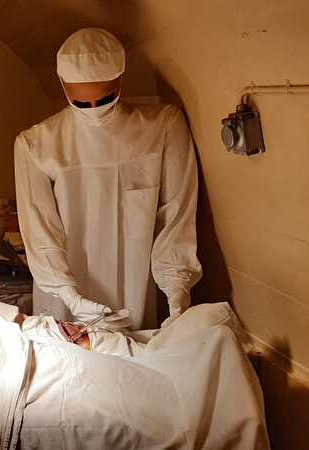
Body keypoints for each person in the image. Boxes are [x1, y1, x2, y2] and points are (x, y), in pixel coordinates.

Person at [14, 28, 202, 329]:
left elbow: (176, 218)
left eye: (105, 100)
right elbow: (41, 233)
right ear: (63, 86)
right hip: (64, 291)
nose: (95, 112)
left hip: (133, 284)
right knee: (69, 352)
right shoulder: (37, 144)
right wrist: (69, 296)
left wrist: (177, 296)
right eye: (81, 104)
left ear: (120, 80)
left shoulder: (162, 127)